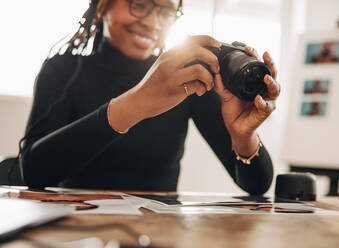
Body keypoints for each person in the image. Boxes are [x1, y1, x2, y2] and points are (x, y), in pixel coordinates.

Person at [19, 0, 281, 195]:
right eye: (139, 4)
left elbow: (257, 186)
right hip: (77, 234)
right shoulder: (62, 70)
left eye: (165, 12)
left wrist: (244, 136)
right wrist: (136, 103)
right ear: (102, 6)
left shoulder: (187, 76)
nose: (152, 22)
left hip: (159, 234)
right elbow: (32, 171)